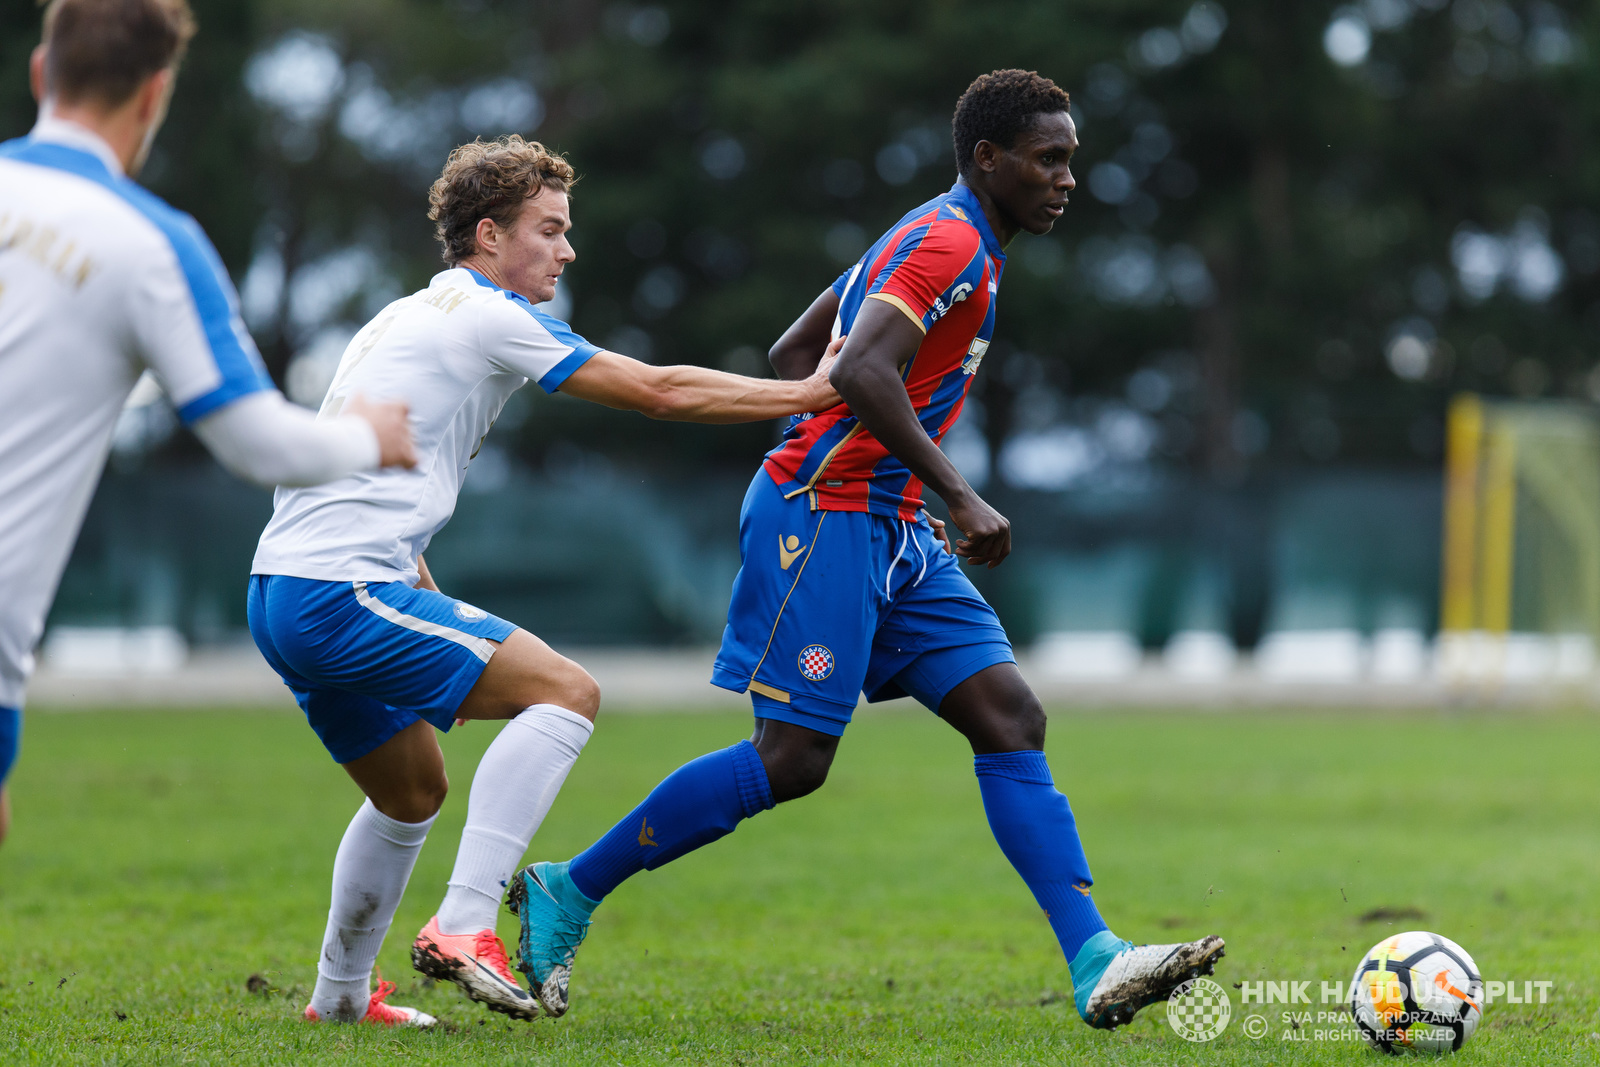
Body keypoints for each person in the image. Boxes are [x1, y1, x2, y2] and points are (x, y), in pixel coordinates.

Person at [507, 69, 1225, 1030]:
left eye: (1070, 160)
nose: (1067, 179)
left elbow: (792, 350)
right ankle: (571, 887)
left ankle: (1095, 958)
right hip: (823, 515)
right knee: (796, 758)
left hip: (883, 522)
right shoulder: (950, 241)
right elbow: (852, 366)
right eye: (1049, 159)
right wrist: (953, 491)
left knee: (1009, 715)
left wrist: (893, 481)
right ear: (989, 158)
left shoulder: (940, 231)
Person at [246, 134, 841, 1028]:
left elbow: (359, 476)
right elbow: (658, 390)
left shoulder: (401, 317)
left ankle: (337, 1001)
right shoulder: (487, 314)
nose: (567, 250)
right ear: (489, 235)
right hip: (339, 592)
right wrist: (817, 393)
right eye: (550, 229)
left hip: (281, 589)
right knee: (567, 692)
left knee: (412, 792)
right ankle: (464, 922)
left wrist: (418, 583)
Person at [0, 0, 416, 849]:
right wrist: (366, 436)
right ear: (155, 95)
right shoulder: (150, 244)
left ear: (42, 72)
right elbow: (255, 440)